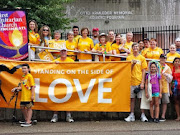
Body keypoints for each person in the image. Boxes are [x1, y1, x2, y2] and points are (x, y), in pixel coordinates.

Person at [125, 42, 148, 122]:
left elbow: (144, 70)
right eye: (134, 47)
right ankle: (131, 115)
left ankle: (143, 115)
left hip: (139, 80)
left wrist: (142, 82)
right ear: (132, 48)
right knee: (132, 99)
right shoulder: (129, 57)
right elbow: (127, 69)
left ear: (139, 48)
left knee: (141, 99)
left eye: (137, 47)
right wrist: (132, 65)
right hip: (131, 81)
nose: (135, 48)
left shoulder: (142, 58)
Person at [51, 46, 74, 123]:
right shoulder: (55, 61)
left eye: (65, 51)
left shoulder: (71, 61)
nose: (63, 53)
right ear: (60, 53)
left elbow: (75, 69)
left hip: (68, 82)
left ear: (67, 53)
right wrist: (55, 64)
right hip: (58, 82)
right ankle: (55, 115)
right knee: (56, 99)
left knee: (68, 99)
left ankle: (68, 115)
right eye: (62, 51)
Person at [159, 54, 172, 122]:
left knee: (164, 101)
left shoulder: (168, 68)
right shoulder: (157, 66)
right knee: (157, 101)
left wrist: (166, 75)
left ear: (165, 59)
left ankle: (163, 115)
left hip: (165, 86)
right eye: (161, 58)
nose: (162, 60)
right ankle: (156, 115)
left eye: (164, 58)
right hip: (157, 86)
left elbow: (170, 79)